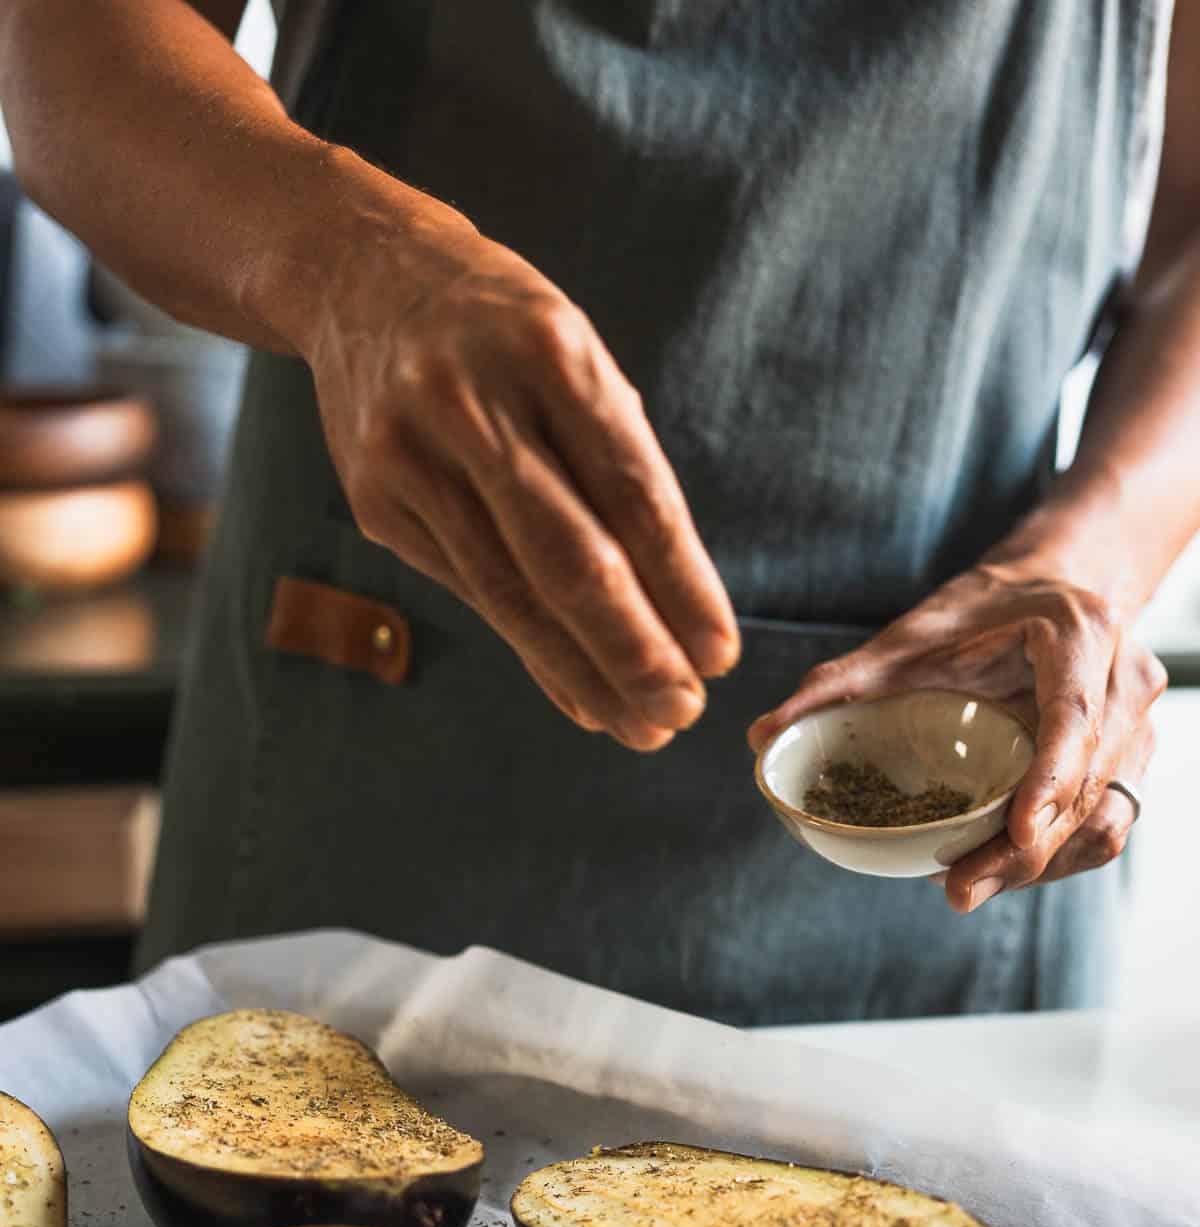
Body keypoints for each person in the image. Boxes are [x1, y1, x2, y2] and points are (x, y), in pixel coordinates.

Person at [1, 0, 1191, 1025]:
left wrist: (1095, 556)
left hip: (965, 811)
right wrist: (348, 265)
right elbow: (71, 50)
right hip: (380, 759)